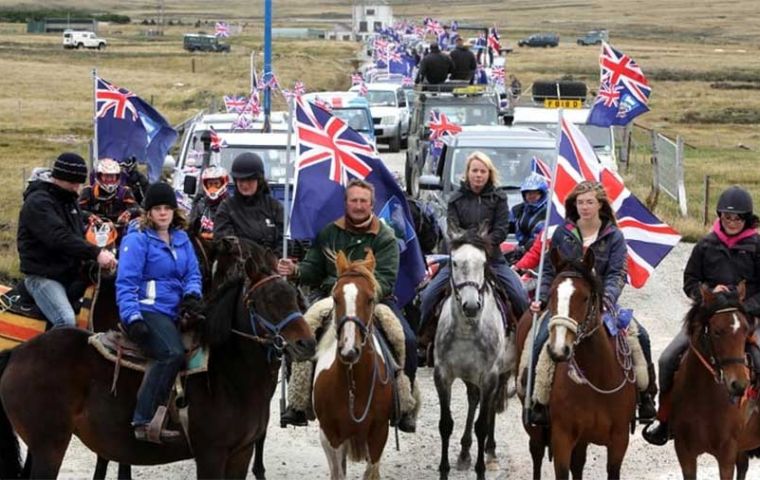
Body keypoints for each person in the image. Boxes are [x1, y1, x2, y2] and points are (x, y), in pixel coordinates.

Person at [277, 179, 419, 432]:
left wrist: (365, 294)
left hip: (373, 300)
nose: (358, 205)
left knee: (405, 339)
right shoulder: (329, 233)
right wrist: (296, 269)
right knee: (301, 333)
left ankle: (403, 403)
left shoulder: (385, 237)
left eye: (363, 201)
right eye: (353, 200)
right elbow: (313, 268)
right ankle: (298, 402)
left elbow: (386, 279)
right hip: (333, 298)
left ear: (371, 204)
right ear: (346, 203)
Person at [527, 181, 656, 425]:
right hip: (565, 305)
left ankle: (645, 396)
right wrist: (543, 298)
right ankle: (537, 400)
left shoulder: (614, 236)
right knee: (540, 341)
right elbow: (547, 272)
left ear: (600, 205)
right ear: (573, 205)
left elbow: (618, 273)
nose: (584, 207)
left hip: (601, 303)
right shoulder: (561, 233)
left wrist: (606, 299)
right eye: (580, 202)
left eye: (589, 202)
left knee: (641, 338)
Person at [643, 185, 760, 445]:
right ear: (720, 217)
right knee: (667, 358)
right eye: (727, 217)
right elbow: (690, 281)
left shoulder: (757, 245)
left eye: (737, 218)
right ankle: (664, 418)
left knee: (759, 359)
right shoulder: (706, 244)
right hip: (709, 318)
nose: (731, 222)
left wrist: (742, 307)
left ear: (747, 219)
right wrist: (706, 293)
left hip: (748, 319)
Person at [116, 182, 203, 443]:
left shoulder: (182, 238)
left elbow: (193, 273)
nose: (163, 213)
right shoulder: (137, 240)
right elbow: (126, 283)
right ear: (148, 213)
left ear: (175, 211)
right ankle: (143, 419)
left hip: (178, 309)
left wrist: (192, 295)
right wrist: (132, 318)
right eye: (157, 209)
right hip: (148, 309)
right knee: (171, 353)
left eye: (167, 208)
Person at [419, 151, 530, 335]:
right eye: (475, 170)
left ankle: (522, 338)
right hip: (459, 261)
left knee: (519, 296)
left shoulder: (499, 198)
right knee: (428, 296)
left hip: (492, 259)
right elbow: (452, 229)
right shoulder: (455, 199)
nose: (478, 175)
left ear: (489, 174)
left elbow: (501, 230)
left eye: (483, 171)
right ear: (468, 172)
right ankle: (424, 339)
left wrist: (483, 244)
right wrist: (469, 244)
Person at [17, 153, 117, 328]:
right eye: (73, 183)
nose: (77, 188)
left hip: (68, 274)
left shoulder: (68, 201)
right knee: (66, 320)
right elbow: (59, 237)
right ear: (58, 178)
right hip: (42, 277)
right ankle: (47, 355)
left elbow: (75, 233)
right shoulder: (38, 203)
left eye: (79, 183)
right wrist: (96, 253)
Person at [213, 152, 283, 254]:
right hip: (239, 265)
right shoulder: (227, 207)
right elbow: (223, 241)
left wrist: (274, 260)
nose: (245, 185)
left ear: (259, 180)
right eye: (241, 180)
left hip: (271, 265)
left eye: (249, 180)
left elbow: (284, 241)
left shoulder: (275, 207)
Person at [78, 158, 141, 233]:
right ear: (99, 176)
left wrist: (128, 213)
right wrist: (89, 216)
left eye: (112, 176)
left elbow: (137, 209)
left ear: (117, 177)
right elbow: (78, 210)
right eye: (106, 176)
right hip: (94, 229)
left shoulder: (124, 191)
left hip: (118, 228)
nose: (109, 179)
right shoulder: (88, 191)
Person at [509, 173, 549, 261]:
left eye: (535, 192)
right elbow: (504, 228)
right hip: (519, 253)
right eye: (528, 193)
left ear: (542, 193)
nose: (531, 196)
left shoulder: (551, 212)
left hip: (542, 255)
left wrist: (528, 247)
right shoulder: (517, 210)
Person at [188, 166, 230, 241]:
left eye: (216, 184)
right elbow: (191, 227)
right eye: (210, 184)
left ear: (223, 183)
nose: (213, 188)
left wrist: (215, 236)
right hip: (202, 246)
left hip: (224, 247)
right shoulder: (200, 205)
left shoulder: (231, 206)